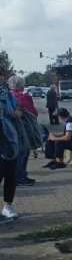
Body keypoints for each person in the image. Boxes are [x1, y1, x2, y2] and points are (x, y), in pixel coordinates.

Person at [8, 76, 38, 186]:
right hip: (23, 129)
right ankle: (21, 177)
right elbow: (33, 112)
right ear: (21, 85)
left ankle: (17, 177)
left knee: (15, 154)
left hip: (9, 130)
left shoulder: (7, 96)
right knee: (23, 153)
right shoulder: (23, 97)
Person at [0, 82, 22, 221]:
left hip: (8, 138)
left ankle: (8, 205)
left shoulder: (7, 94)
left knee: (10, 174)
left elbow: (16, 108)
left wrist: (16, 111)